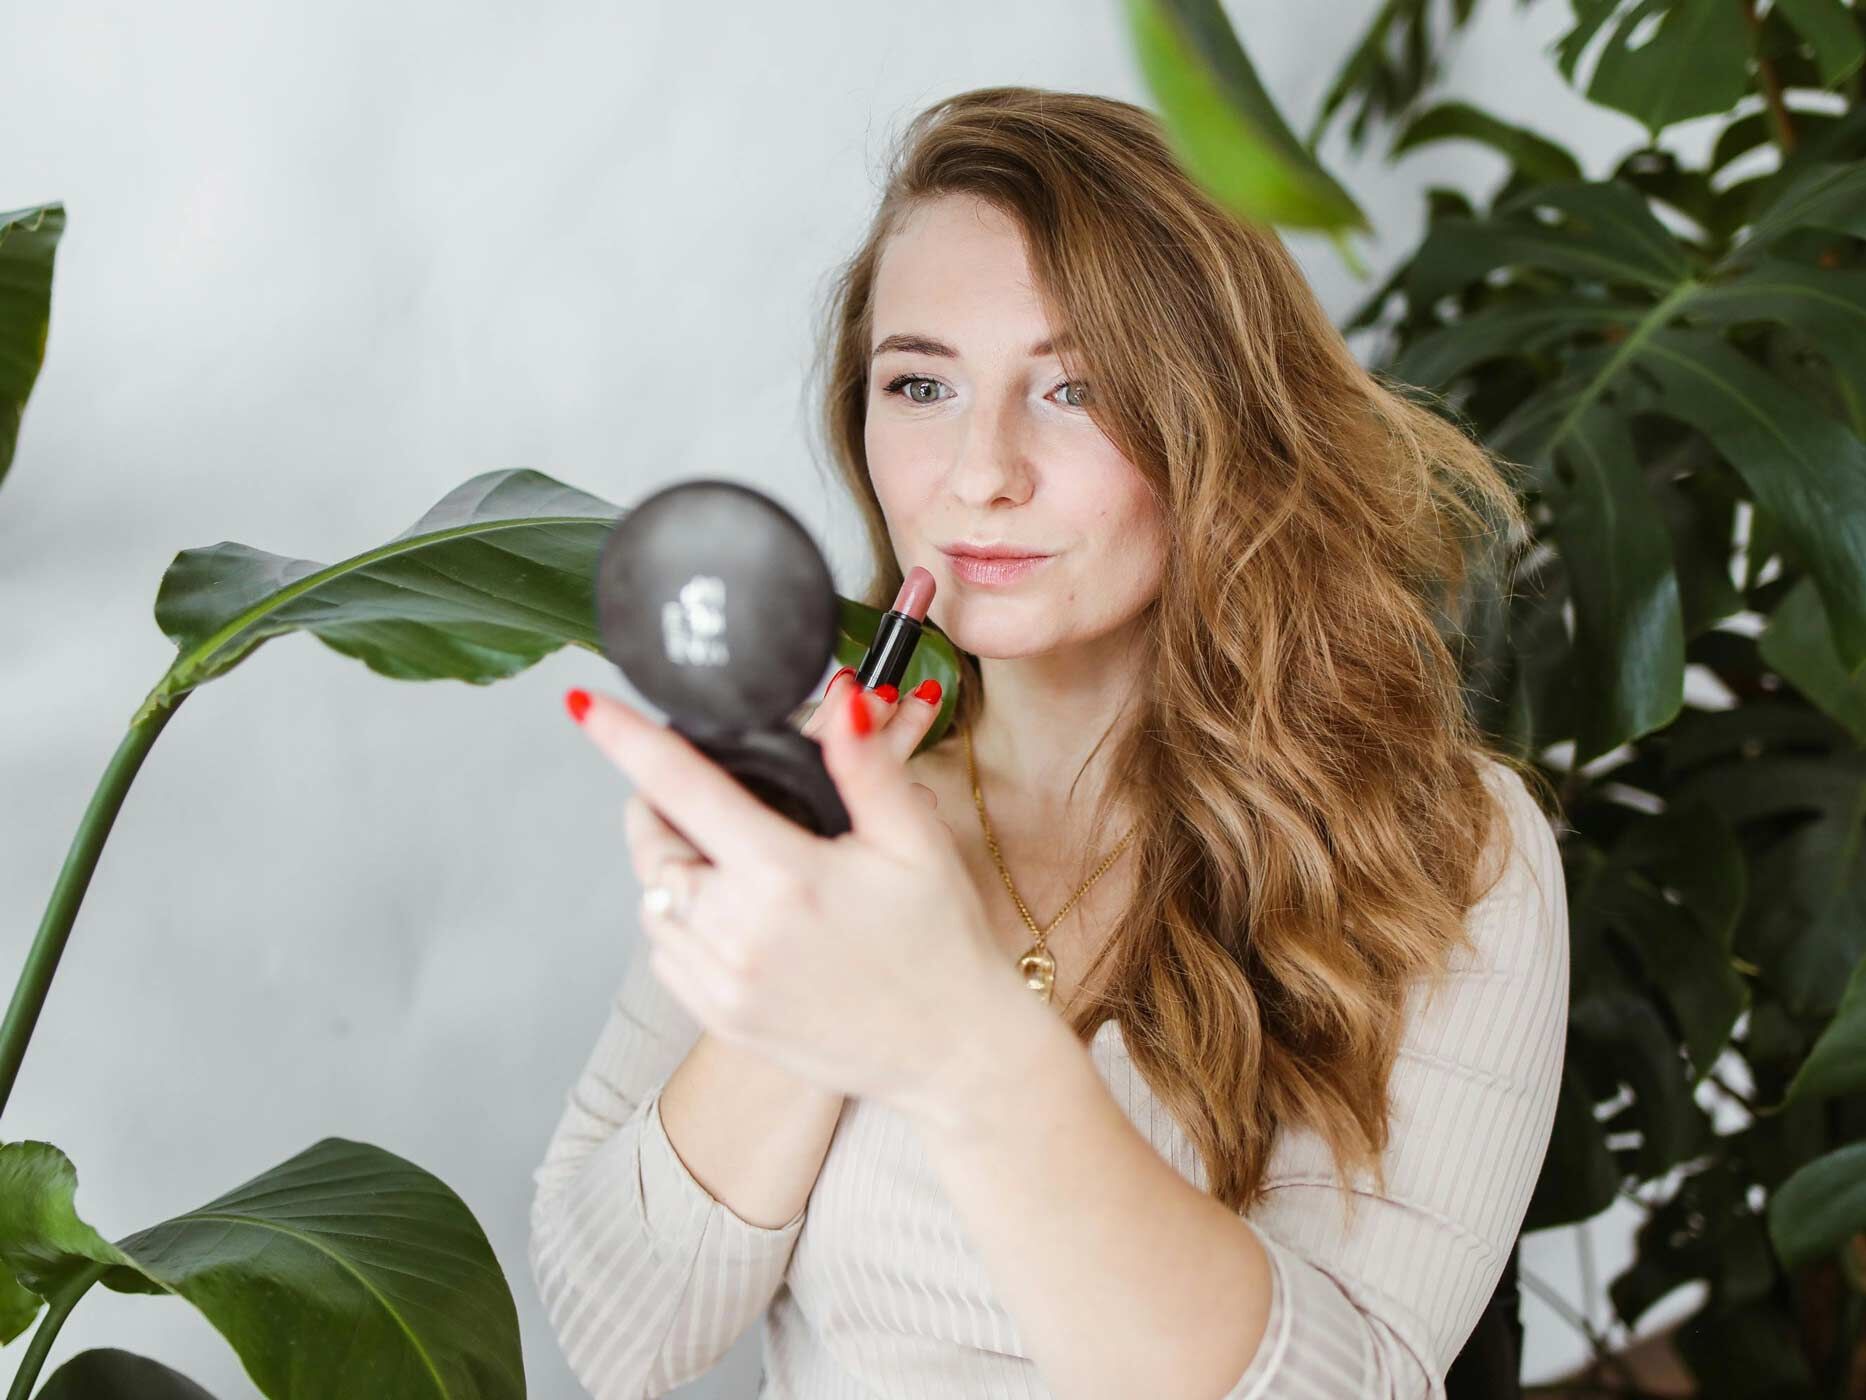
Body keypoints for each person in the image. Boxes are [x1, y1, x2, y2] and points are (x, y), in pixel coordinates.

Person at [528, 85, 1570, 1400]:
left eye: (1073, 388)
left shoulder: (1440, 844)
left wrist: (959, 1043)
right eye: (920, 384)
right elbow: (624, 1336)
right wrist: (806, 915)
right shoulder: (805, 808)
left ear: (1222, 424)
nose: (981, 473)